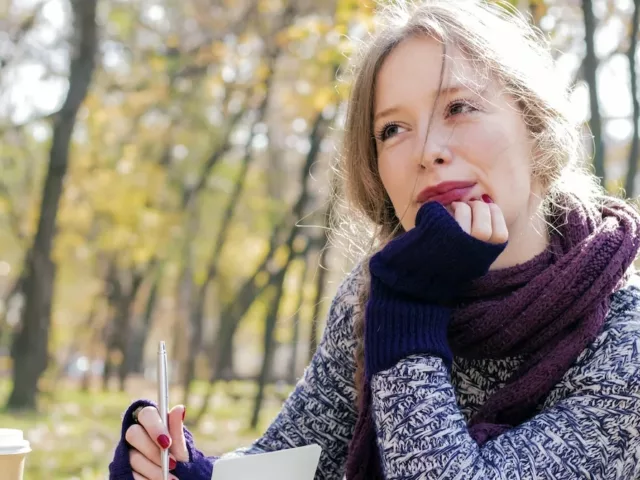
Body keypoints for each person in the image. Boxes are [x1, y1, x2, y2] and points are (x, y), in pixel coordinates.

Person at [108, 1, 640, 479]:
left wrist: (408, 308)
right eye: (392, 130)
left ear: (536, 124)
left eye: (459, 107)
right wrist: (186, 471)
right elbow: (295, 462)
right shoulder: (369, 299)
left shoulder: (625, 337)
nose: (427, 150)